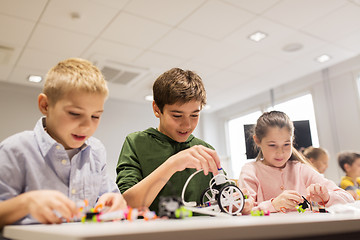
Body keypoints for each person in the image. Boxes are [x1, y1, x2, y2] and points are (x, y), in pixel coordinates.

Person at [0, 58, 126, 228]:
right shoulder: (16, 149)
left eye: (95, 116)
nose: (87, 126)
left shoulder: (96, 151)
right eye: (75, 113)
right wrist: (25, 202)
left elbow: (108, 198)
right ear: (45, 105)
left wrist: (115, 202)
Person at [116, 68, 253, 215]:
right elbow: (127, 204)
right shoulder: (136, 143)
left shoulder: (204, 150)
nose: (187, 125)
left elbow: (226, 199)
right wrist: (173, 164)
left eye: (194, 115)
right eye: (177, 115)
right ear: (157, 109)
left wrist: (239, 203)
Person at [238, 111, 354, 213]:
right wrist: (273, 205)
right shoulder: (250, 171)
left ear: (292, 140)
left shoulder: (301, 169)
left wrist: (327, 197)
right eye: (272, 145)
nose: (280, 152)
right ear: (257, 140)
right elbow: (244, 210)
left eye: (286, 144)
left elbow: (348, 198)